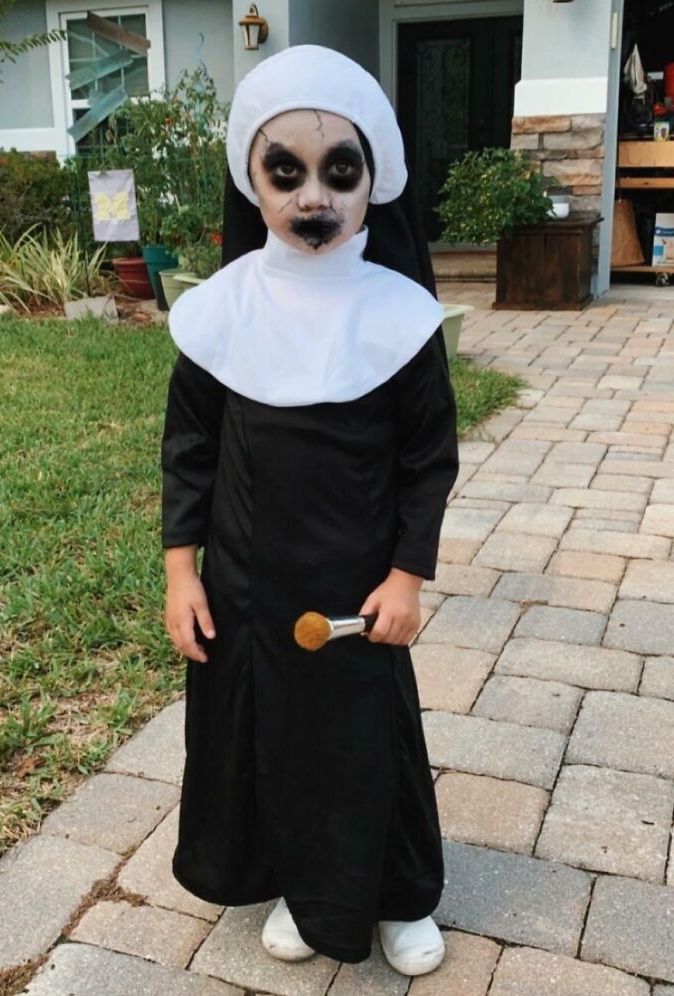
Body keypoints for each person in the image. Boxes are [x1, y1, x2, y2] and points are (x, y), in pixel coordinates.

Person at [161, 44, 459, 977]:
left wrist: (409, 574)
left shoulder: (398, 316)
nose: (313, 198)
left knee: (369, 738)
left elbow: (427, 459)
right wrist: (181, 572)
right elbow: (190, 450)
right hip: (249, 587)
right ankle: (302, 881)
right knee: (275, 741)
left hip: (362, 589)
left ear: (377, 180)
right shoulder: (223, 312)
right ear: (252, 180)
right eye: (284, 172)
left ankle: (400, 894)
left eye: (340, 171)